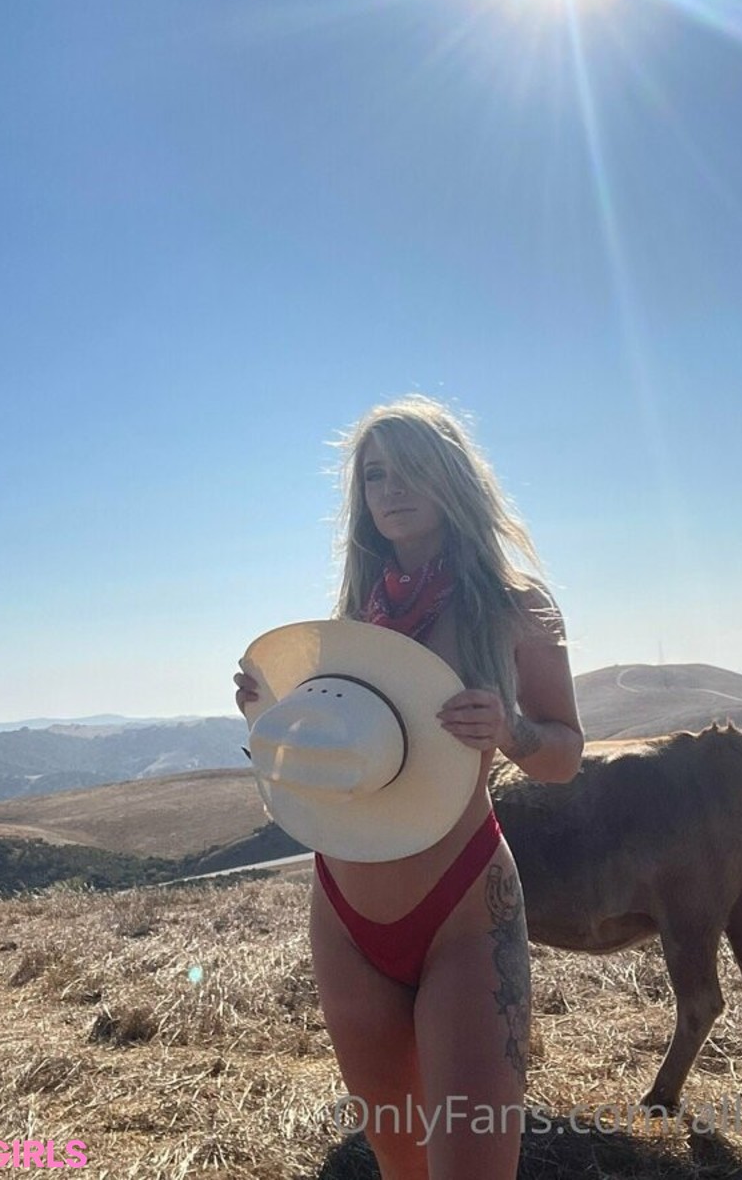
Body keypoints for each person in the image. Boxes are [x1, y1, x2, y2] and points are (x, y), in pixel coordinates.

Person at [234, 395, 583, 1180]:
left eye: (409, 469)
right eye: (375, 475)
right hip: (343, 918)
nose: (390, 489)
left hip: (464, 911)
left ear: (451, 475)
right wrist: (269, 709)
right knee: (401, 1164)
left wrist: (513, 732)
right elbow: (314, 759)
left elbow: (564, 753)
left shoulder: (516, 606)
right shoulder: (350, 622)